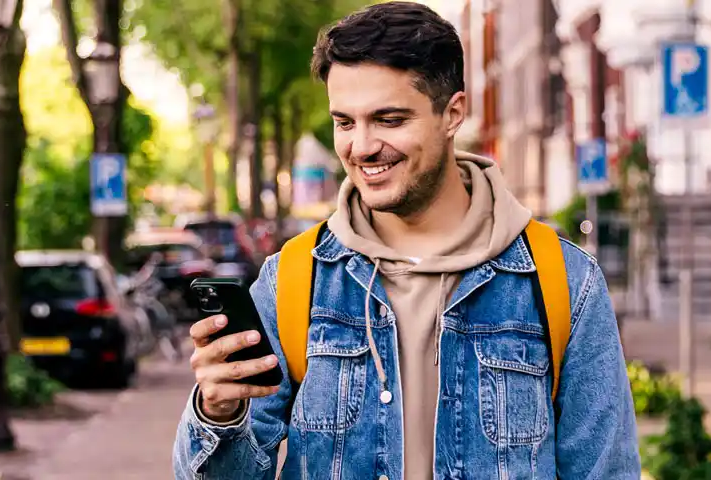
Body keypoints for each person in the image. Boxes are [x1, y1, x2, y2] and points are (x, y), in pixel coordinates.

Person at [171, 2, 642, 478]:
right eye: (345, 122)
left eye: (390, 119)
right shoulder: (292, 280)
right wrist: (219, 413)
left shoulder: (563, 281)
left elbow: (606, 471)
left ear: (452, 113)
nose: (362, 146)